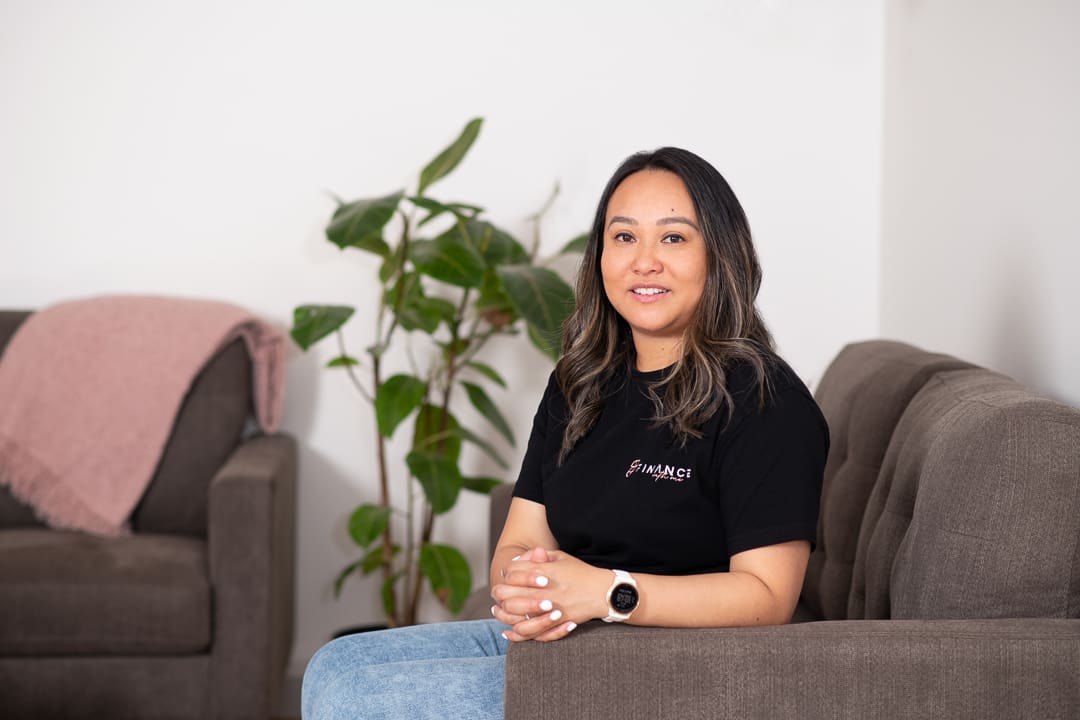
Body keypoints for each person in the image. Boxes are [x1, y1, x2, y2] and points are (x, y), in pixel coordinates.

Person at [301, 147, 829, 719]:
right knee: (335, 666)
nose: (644, 261)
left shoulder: (761, 397)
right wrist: (526, 585)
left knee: (357, 698)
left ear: (719, 256)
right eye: (623, 237)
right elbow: (521, 539)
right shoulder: (581, 383)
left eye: (673, 238)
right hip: (568, 637)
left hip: (677, 660)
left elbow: (768, 596)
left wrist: (608, 591)